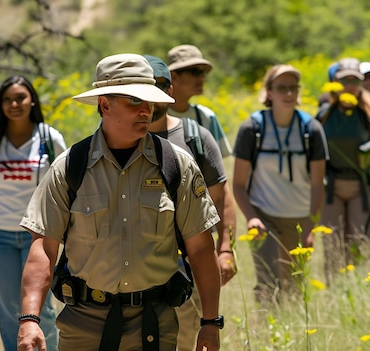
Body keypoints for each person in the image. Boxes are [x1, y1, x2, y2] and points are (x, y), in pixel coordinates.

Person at [17, 54, 223, 351]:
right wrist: (29, 318)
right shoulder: (70, 167)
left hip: (155, 322)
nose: (145, 111)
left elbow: (201, 249)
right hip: (85, 325)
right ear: (104, 104)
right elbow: (44, 249)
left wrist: (210, 322)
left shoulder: (176, 165)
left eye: (149, 102)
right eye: (133, 102)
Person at [0, 75, 65, 351]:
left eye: (20, 98)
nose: (14, 104)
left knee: (43, 309)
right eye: (7, 99)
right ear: (0, 104)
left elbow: (66, 190)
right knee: (9, 310)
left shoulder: (49, 137)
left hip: (39, 238)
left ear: (32, 101)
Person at [144, 54, 236, 351]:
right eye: (145, 86)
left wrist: (225, 249)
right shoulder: (122, 138)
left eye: (159, 85)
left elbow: (221, 199)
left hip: (187, 268)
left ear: (170, 91)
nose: (152, 94)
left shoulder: (196, 136)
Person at [232, 64, 328, 300]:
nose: (288, 94)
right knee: (267, 282)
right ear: (269, 92)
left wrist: (310, 226)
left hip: (300, 218)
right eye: (281, 88)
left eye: (293, 88)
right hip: (264, 217)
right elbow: (238, 185)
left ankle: (294, 329)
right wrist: (252, 217)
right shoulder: (252, 128)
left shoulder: (311, 129)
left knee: (296, 283)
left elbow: (318, 184)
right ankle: (265, 331)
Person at [316, 58, 370, 277]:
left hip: (363, 188)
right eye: (345, 80)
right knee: (333, 247)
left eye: (355, 80)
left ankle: (360, 292)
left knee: (360, 246)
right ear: (336, 82)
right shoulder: (323, 114)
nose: (350, 85)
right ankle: (335, 298)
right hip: (331, 189)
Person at [166, 44, 232, 158]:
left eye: (203, 72)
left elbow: (217, 165)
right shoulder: (156, 115)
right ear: (174, 76)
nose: (202, 78)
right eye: (195, 72)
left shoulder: (206, 116)